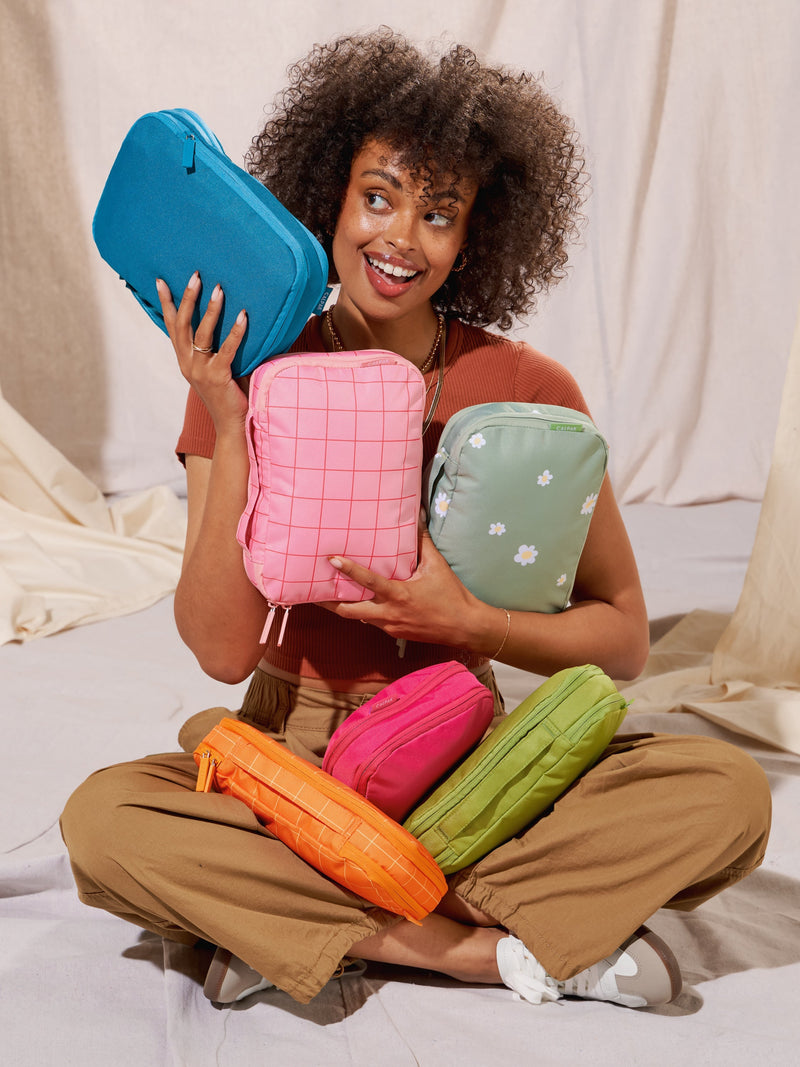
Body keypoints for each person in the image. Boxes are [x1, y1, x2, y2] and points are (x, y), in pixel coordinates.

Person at [61, 29, 770, 1010]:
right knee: (104, 820)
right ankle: (473, 947)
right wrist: (227, 414)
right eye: (378, 196)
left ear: (474, 236)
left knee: (725, 794)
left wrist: (471, 625)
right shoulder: (241, 368)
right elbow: (222, 653)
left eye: (438, 214)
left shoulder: (529, 387)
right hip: (296, 750)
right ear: (329, 201)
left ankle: (300, 915)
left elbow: (619, 638)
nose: (400, 237)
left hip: (465, 743)